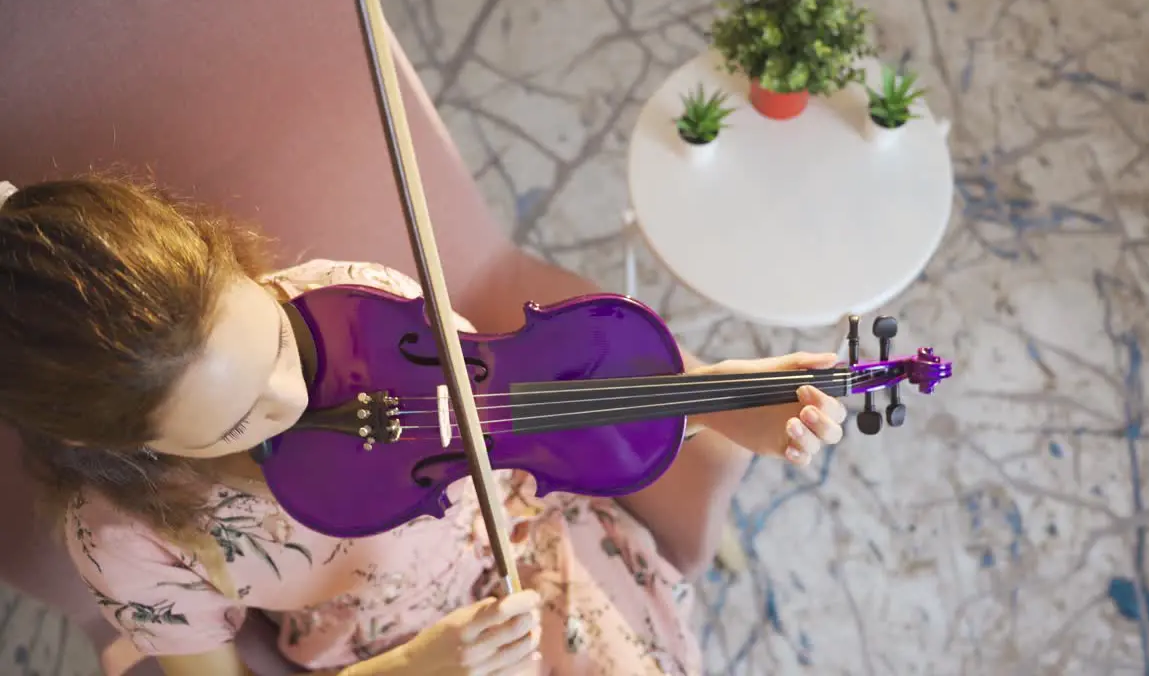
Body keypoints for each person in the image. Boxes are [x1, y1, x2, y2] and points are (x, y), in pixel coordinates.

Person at [0, 173, 850, 676]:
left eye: (276, 346)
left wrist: (706, 400)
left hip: (533, 554)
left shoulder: (354, 302)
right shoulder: (123, 536)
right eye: (234, 421)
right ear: (119, 446)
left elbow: (518, 420)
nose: (294, 398)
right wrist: (419, 667)